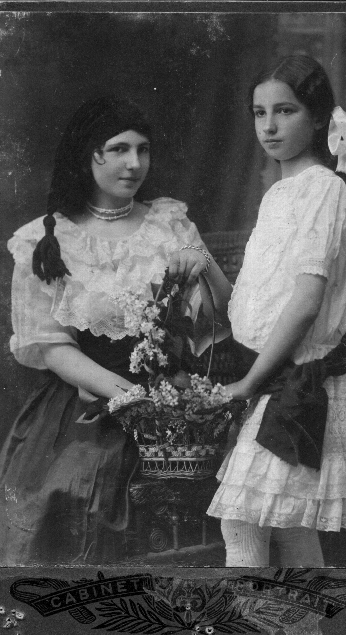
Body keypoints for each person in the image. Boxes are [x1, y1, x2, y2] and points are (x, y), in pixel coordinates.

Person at [1, 95, 232, 565]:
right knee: (72, 492)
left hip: (173, 392)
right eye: (119, 149)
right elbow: (52, 348)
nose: (134, 163)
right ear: (88, 155)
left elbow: (223, 314)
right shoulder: (46, 238)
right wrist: (127, 396)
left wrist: (201, 259)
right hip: (86, 399)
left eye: (143, 150)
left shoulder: (169, 222)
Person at [204, 55, 346, 567]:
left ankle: (251, 612)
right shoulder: (278, 196)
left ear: (318, 116)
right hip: (275, 377)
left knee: (245, 523)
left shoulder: (323, 188)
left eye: (285, 111)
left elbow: (306, 303)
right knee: (290, 526)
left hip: (298, 385)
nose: (269, 126)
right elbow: (250, 305)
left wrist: (247, 383)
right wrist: (200, 259)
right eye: (259, 112)